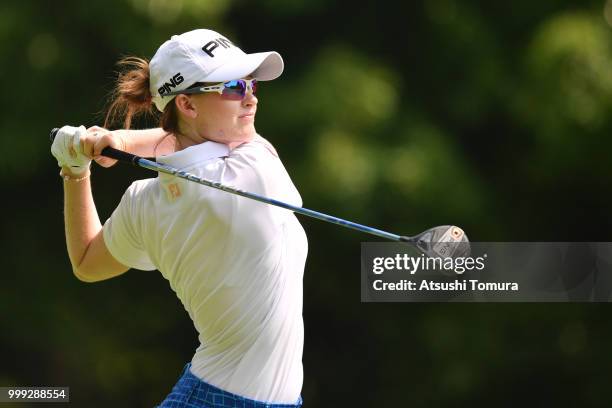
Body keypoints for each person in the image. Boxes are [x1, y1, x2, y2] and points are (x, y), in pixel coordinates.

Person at [50, 29, 307, 408]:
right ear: (187, 104)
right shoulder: (253, 166)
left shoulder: (144, 202)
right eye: (235, 87)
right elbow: (192, 147)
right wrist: (120, 141)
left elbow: (87, 262)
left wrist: (75, 169)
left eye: (251, 85)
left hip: (215, 393)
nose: (250, 98)